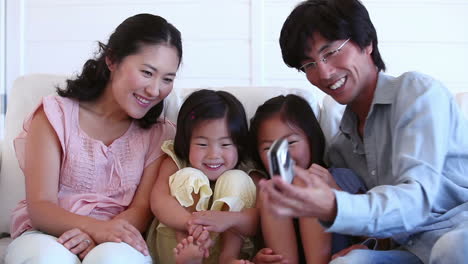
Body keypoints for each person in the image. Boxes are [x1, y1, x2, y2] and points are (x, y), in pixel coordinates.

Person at [259, 0, 468, 263]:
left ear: (367, 42)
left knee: (451, 247)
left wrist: (334, 205)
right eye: (309, 64)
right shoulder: (341, 148)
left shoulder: (417, 93)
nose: (323, 72)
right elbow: (385, 222)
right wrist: (369, 245)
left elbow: (417, 201)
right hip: (411, 250)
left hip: (459, 231)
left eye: (331, 52)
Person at [5, 13, 182, 264]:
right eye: (146, 72)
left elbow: (141, 211)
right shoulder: (55, 115)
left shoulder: (159, 134)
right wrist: (93, 229)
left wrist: (103, 235)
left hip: (119, 238)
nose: (155, 90)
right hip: (46, 235)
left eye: (167, 79)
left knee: (112, 259)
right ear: (112, 59)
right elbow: (41, 205)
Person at [249, 95, 367, 264]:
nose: (283, 154)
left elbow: (374, 232)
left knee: (306, 182)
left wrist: (335, 193)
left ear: (311, 141)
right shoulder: (263, 190)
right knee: (271, 191)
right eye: (269, 148)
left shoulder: (340, 177)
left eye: (291, 143)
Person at [149, 89, 258, 264]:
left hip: (225, 249)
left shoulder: (248, 169)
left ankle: (228, 257)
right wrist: (191, 223)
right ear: (186, 140)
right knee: (190, 176)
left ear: (238, 144)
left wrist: (228, 219)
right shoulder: (176, 161)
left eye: (225, 144)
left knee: (236, 178)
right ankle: (190, 252)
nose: (213, 154)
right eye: (202, 144)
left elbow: (258, 221)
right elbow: (158, 201)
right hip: (177, 249)